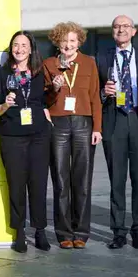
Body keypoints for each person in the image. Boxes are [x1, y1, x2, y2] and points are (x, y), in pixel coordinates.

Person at [95, 16, 138, 250]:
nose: (121, 29)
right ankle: (118, 232)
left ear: (134, 31)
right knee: (116, 181)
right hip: (114, 122)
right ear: (112, 32)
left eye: (125, 26)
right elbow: (95, 94)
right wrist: (104, 92)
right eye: (116, 26)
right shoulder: (102, 58)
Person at [0, 31, 51, 253]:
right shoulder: (2, 74)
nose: (20, 49)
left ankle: (40, 230)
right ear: (11, 48)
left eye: (24, 45)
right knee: (16, 185)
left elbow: (45, 100)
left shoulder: (40, 73)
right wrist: (5, 105)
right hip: (12, 136)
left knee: (38, 183)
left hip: (39, 136)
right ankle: (19, 232)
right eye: (16, 45)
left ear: (31, 49)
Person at [43, 22, 102, 249]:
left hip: (83, 123)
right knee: (60, 179)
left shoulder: (89, 63)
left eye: (72, 41)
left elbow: (95, 96)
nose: (68, 45)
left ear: (79, 42)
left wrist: (97, 128)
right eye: (64, 41)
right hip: (58, 123)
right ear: (58, 42)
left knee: (82, 179)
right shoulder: (49, 65)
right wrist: (54, 88)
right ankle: (63, 232)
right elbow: (45, 100)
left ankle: (81, 232)